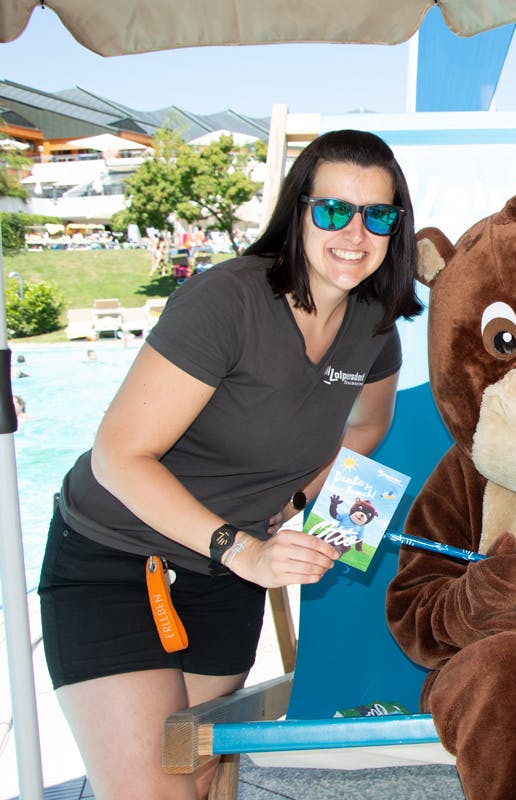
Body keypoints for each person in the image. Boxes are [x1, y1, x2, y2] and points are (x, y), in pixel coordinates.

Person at [37, 129, 423, 800]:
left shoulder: (374, 323)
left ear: (396, 227)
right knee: (153, 792)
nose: (355, 233)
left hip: (225, 578)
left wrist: (296, 505)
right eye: (334, 209)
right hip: (115, 559)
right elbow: (118, 457)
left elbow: (368, 425)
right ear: (298, 212)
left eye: (377, 215)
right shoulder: (225, 301)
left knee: (196, 776)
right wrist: (244, 550)